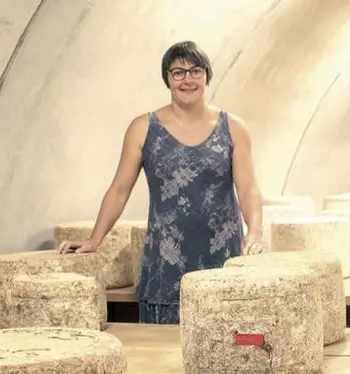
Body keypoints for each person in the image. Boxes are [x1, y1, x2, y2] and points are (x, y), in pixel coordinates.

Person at [57, 40, 265, 324]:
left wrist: (254, 231)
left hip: (223, 259)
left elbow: (248, 188)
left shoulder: (233, 128)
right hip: (166, 263)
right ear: (167, 78)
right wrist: (95, 239)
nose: (187, 79)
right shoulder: (144, 128)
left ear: (207, 75)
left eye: (195, 70)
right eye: (178, 72)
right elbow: (119, 190)